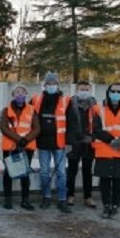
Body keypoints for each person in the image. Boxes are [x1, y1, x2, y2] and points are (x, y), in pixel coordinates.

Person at [92, 83, 120, 219]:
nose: (116, 94)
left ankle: (115, 206)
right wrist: (111, 140)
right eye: (113, 91)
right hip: (104, 150)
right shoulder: (99, 109)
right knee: (105, 181)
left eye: (119, 91)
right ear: (108, 92)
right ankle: (106, 205)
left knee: (119, 181)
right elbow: (96, 129)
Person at [30, 72, 72, 213]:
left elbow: (72, 122)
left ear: (58, 85)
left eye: (54, 83)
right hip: (42, 143)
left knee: (61, 172)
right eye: (49, 83)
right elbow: (28, 117)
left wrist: (69, 142)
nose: (51, 86)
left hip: (60, 143)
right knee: (44, 172)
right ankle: (46, 197)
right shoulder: (36, 99)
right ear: (45, 85)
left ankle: (62, 200)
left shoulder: (66, 100)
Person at [0, 85, 40, 210]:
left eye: (22, 92)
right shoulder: (6, 110)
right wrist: (19, 140)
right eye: (17, 92)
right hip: (10, 146)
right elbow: (4, 128)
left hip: (26, 146)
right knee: (8, 173)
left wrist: (25, 140)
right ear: (13, 94)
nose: (20, 94)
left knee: (25, 173)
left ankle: (25, 200)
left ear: (26, 94)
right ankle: (8, 200)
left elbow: (37, 128)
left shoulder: (32, 109)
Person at [65, 81, 99, 208]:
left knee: (87, 171)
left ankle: (88, 197)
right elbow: (67, 124)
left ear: (89, 90)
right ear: (76, 90)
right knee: (72, 171)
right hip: (74, 142)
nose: (84, 91)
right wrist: (69, 141)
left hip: (89, 142)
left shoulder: (94, 105)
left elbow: (98, 125)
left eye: (86, 89)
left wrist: (92, 137)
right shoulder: (70, 104)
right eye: (81, 89)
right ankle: (70, 195)